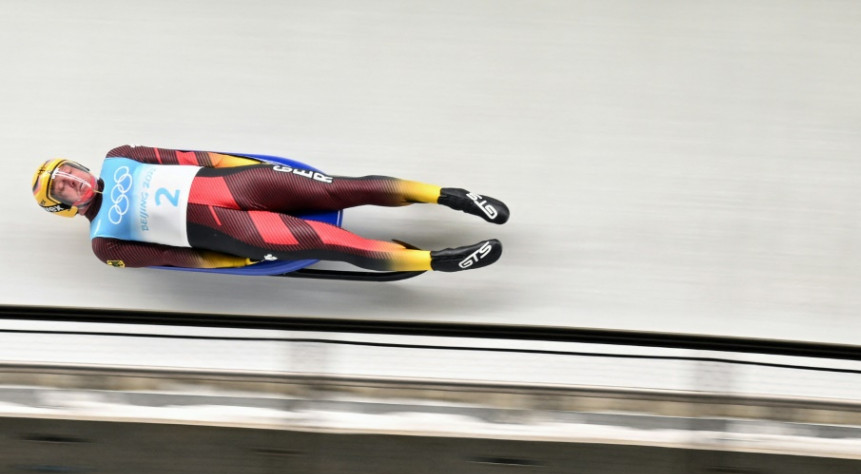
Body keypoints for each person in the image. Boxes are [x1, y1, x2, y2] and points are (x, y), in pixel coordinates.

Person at [31, 145, 509, 273]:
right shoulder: (105, 243)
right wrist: (237, 262)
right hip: (233, 231)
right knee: (334, 243)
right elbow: (176, 260)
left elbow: (188, 156)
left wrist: (253, 165)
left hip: (241, 182)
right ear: (65, 208)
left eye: (68, 171)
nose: (72, 181)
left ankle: (450, 196)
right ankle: (437, 261)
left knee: (342, 189)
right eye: (64, 189)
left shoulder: (119, 157)